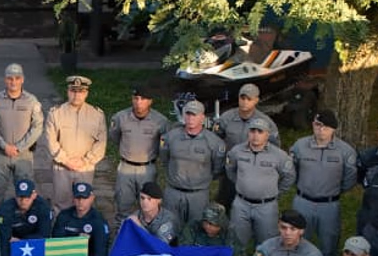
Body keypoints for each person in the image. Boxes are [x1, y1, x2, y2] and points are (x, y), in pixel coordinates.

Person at [289, 110, 357, 256]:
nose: (321, 129)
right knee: (296, 242)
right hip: (303, 202)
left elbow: (350, 178)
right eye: (317, 125)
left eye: (325, 127)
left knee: (329, 245)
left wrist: (334, 191)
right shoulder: (300, 145)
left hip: (329, 206)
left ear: (334, 129)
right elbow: (291, 171)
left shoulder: (345, 151)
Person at [225, 117, 295, 248]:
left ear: (267, 135)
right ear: (248, 133)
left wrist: (276, 193)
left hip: (266, 207)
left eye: (260, 131)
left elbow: (289, 177)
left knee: (267, 244)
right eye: (252, 131)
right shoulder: (236, 151)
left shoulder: (279, 155)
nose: (255, 135)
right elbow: (230, 170)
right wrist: (242, 184)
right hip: (241, 205)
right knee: (236, 241)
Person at [159, 99, 225, 232]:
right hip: (173, 193)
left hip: (198, 195)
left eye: (194, 115)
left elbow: (217, 168)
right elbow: (164, 160)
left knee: (196, 231)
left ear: (202, 117)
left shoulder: (214, 142)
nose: (190, 118)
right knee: (169, 230)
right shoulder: (170, 137)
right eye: (188, 114)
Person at [107, 86, 168, 230]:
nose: (138, 102)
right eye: (136, 98)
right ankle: (121, 235)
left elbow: (164, 144)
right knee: (123, 205)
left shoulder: (160, 121)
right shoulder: (120, 117)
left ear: (150, 101)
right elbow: (115, 137)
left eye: (143, 99)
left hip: (147, 168)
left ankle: (144, 236)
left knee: (148, 208)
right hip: (125, 167)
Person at [0, 63, 43, 209]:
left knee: (25, 191)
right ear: (5, 80)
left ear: (22, 79)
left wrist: (19, 147)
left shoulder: (32, 101)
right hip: (1, 154)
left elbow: (37, 127)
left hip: (23, 155)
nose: (13, 82)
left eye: (17, 78)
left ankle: (23, 218)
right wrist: (4, 146)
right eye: (10, 78)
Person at [44, 75, 107, 211]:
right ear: (68, 91)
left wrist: (85, 160)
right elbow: (51, 141)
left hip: (85, 167)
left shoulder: (97, 115)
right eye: (73, 91)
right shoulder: (56, 113)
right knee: (61, 204)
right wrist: (66, 160)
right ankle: (60, 224)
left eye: (81, 91)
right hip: (62, 168)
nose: (76, 95)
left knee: (83, 205)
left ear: (86, 93)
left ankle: (82, 225)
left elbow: (101, 143)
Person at [214, 83, 281, 208]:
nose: (245, 102)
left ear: (256, 100)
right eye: (242, 98)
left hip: (252, 171)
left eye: (249, 99)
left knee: (248, 204)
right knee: (223, 203)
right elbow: (216, 139)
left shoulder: (266, 122)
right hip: (230, 169)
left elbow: (275, 148)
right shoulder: (227, 117)